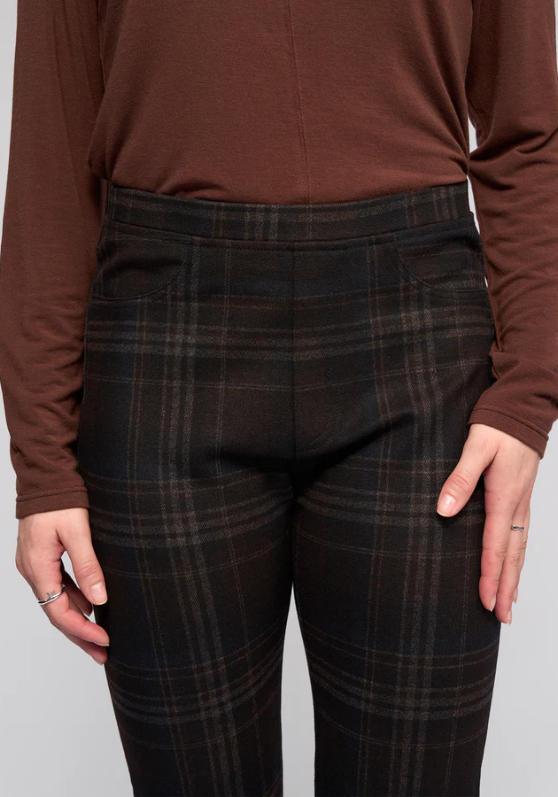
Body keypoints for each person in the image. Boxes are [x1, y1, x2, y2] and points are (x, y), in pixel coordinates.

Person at [0, 1, 556, 795]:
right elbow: (53, 156)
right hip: (165, 346)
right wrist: (43, 460)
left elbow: (526, 129)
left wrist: (530, 388)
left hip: (418, 348)